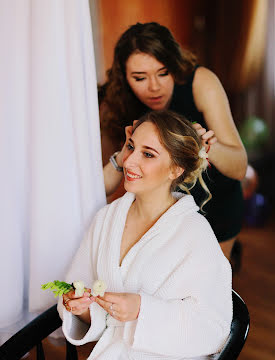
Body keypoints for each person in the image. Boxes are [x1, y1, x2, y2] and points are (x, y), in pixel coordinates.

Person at [6, 110, 232, 360]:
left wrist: (142, 309)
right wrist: (80, 307)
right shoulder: (108, 218)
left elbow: (213, 327)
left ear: (176, 169)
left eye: (148, 154)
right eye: (131, 147)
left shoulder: (194, 233)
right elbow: (82, 295)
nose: (129, 161)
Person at [100, 22, 248, 261]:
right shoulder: (117, 102)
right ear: (124, 77)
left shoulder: (201, 82)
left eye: (163, 72)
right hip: (162, 212)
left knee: (211, 286)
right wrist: (126, 150)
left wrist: (209, 147)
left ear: (175, 66)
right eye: (140, 78)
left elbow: (240, 166)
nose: (155, 87)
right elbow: (101, 188)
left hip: (217, 204)